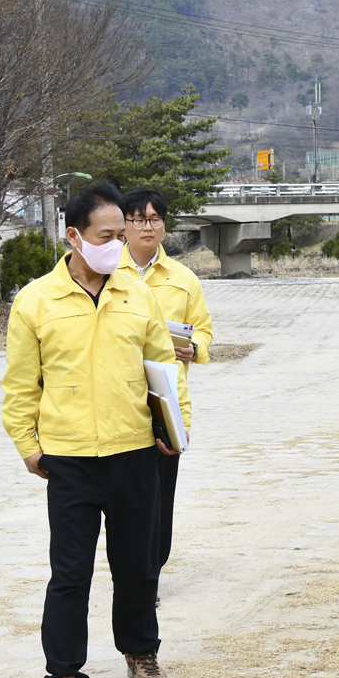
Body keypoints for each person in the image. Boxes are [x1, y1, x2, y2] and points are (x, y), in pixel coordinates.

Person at [2, 181, 187, 678]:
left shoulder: (138, 294)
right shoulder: (36, 301)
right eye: (107, 235)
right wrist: (28, 448)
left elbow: (163, 370)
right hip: (72, 459)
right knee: (70, 573)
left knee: (137, 566)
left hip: (135, 452)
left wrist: (173, 429)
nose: (118, 244)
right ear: (74, 237)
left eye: (121, 235)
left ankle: (140, 652)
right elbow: (20, 386)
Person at [119, 188, 211, 603]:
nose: (147, 226)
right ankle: (131, 570)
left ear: (164, 225)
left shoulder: (183, 279)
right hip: (116, 397)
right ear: (123, 225)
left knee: (160, 493)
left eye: (154, 219)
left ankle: (150, 574)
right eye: (138, 219)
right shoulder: (104, 271)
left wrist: (196, 348)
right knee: (124, 495)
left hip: (165, 399)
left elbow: (203, 329)